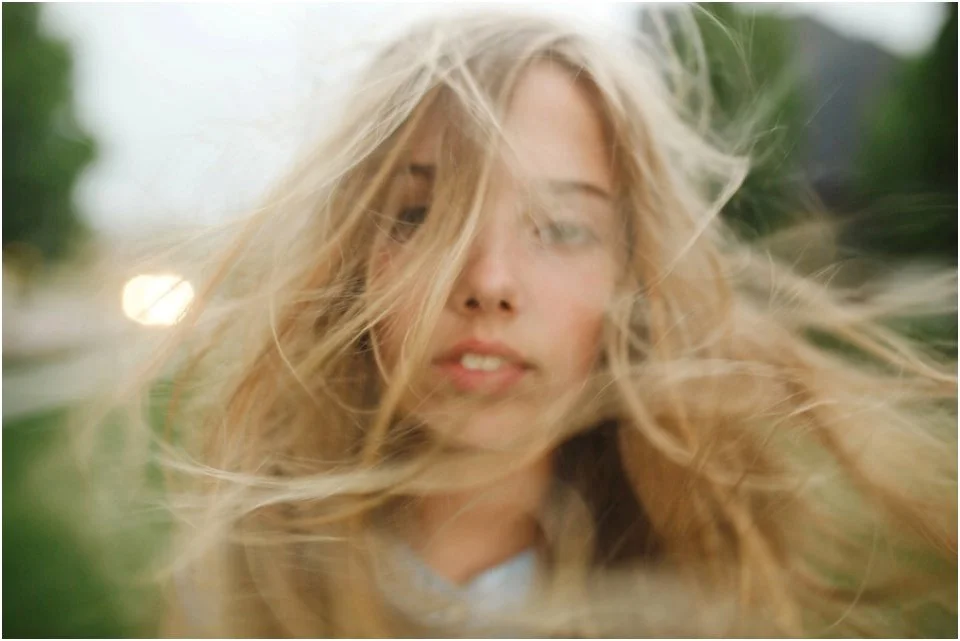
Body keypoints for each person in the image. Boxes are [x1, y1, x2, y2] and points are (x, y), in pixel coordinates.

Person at [115, 6, 955, 638]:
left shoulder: (710, 598)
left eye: (560, 227)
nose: (487, 283)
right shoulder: (236, 590)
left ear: (632, 273)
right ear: (350, 259)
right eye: (420, 215)